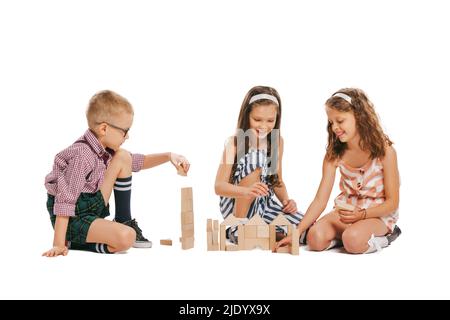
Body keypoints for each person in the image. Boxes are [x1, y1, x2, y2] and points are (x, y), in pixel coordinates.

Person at [43, 90, 190, 257]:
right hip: (71, 218)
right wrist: (58, 244)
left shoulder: (105, 148)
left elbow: (137, 162)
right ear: (104, 128)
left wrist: (169, 156)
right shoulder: (82, 155)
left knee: (124, 157)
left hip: (91, 203)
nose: (127, 136)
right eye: (124, 131)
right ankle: (72, 241)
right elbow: (65, 200)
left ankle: (122, 219)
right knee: (126, 237)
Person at [276, 88, 401, 254]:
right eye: (331, 122)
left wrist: (362, 215)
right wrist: (297, 232)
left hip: (376, 215)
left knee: (353, 240)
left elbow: (392, 203)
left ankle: (383, 237)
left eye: (340, 121)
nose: (334, 127)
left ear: (359, 117)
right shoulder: (334, 155)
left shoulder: (385, 152)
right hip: (346, 212)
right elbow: (320, 200)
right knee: (314, 238)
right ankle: (344, 237)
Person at [215, 86, 307, 243]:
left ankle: (262, 231)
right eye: (257, 120)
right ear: (247, 116)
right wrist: (246, 191)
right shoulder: (235, 143)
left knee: (306, 229)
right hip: (237, 206)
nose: (264, 126)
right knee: (256, 158)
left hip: (264, 205)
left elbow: (276, 180)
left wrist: (286, 201)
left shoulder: (276, 141)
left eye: (270, 120)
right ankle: (237, 227)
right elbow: (219, 187)